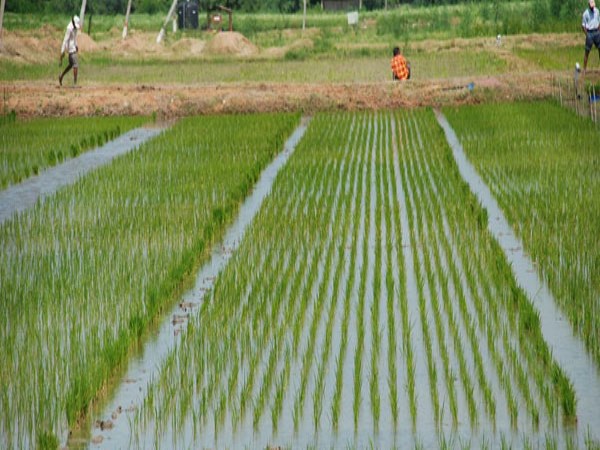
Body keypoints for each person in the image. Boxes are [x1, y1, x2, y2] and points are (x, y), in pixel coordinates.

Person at [59, 15, 81, 86]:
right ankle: (75, 84)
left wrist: (76, 45)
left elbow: (74, 38)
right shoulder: (69, 29)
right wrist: (62, 51)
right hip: (71, 50)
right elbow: (65, 40)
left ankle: (61, 76)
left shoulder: (75, 28)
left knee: (71, 65)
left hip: (73, 48)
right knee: (76, 65)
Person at [583, 0, 600, 73]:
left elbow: (599, 21)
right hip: (589, 33)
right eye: (591, 6)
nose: (592, 7)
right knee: (587, 52)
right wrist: (587, 34)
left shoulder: (597, 11)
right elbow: (583, 25)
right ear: (588, 5)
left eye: (593, 5)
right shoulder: (585, 13)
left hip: (597, 32)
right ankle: (584, 69)